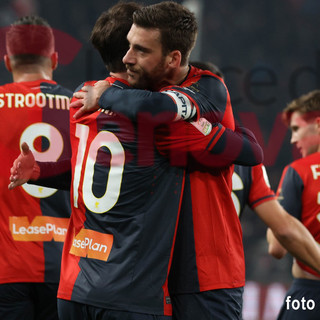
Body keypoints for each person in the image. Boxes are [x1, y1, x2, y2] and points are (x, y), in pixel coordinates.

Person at [9, 3, 264, 320]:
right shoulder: (157, 119)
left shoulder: (88, 98)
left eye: (140, 49)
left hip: (201, 275)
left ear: (170, 57)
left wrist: (103, 97)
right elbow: (250, 149)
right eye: (129, 47)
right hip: (154, 279)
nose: (131, 56)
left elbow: (249, 152)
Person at [191, 60, 320, 276]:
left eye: (297, 129)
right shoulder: (249, 160)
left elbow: (278, 242)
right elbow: (285, 228)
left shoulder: (166, 147)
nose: (292, 139)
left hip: (164, 281)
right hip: (224, 282)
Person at [0, 16, 72, 320]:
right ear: (55, 59)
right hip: (69, 271)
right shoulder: (82, 107)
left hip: (6, 267)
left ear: (7, 61)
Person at [267, 90, 320, 320]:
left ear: (317, 124)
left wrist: (271, 213)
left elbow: (276, 249)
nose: (292, 139)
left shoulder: (298, 171)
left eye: (296, 129)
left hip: (309, 295)